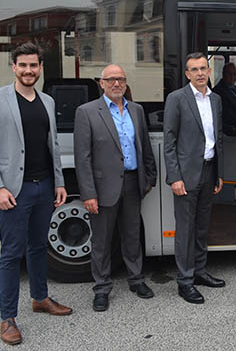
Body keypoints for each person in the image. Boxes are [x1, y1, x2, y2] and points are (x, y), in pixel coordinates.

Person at [0, 42, 72, 346]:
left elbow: (52, 146)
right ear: (13, 67)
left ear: (40, 68)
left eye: (34, 65)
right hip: (13, 192)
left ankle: (40, 298)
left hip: (43, 186)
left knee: (39, 246)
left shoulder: (46, 101)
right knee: (11, 253)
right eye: (23, 65)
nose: (29, 70)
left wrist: (58, 182)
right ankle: (8, 319)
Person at [74, 64, 157, 312]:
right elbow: (83, 157)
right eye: (110, 80)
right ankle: (101, 289)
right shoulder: (86, 112)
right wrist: (88, 193)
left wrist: (149, 176)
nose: (116, 84)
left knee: (132, 236)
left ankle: (137, 280)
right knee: (102, 241)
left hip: (133, 183)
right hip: (102, 188)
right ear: (101, 83)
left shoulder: (137, 110)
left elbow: (144, 145)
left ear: (126, 82)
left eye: (120, 79)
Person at [163, 52, 225, 304]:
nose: (200, 73)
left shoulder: (216, 100)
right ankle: (185, 281)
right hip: (186, 175)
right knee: (185, 230)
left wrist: (220, 173)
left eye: (203, 68)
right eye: (194, 70)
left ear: (209, 71)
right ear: (187, 74)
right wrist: (174, 177)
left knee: (201, 227)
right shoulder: (176, 99)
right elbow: (170, 141)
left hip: (210, 171)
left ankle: (199, 271)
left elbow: (217, 139)